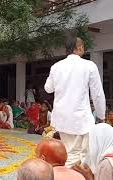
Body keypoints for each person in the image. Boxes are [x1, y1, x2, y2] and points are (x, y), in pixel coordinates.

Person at [44, 37, 106, 167]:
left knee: (69, 152)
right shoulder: (89, 65)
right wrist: (101, 115)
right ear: (79, 48)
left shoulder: (56, 66)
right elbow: (97, 93)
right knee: (82, 156)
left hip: (61, 119)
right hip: (81, 120)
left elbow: (48, 88)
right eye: (82, 46)